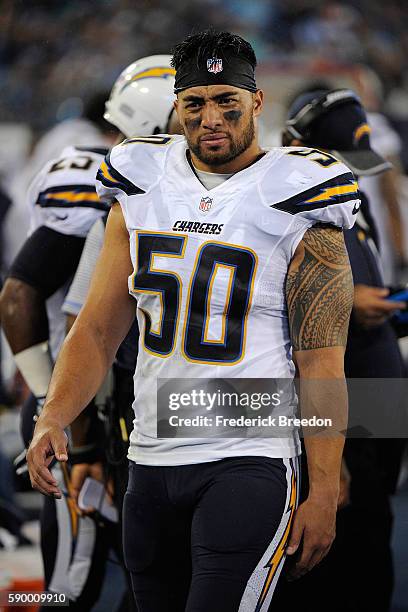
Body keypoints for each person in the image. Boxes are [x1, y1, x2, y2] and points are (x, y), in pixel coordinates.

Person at [27, 30, 359, 611]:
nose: (211, 118)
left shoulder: (300, 190)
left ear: (257, 101)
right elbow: (99, 328)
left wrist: (325, 486)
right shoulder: (140, 179)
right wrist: (54, 415)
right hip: (150, 457)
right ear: (176, 108)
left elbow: (321, 355)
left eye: (227, 100)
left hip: (249, 455)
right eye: (195, 103)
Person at [0, 55, 176, 610]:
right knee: (72, 584)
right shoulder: (93, 180)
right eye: (189, 109)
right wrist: (48, 391)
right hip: (82, 408)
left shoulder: (177, 189)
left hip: (135, 407)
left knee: (146, 571)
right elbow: (20, 294)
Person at [277, 87, 407, 612]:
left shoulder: (349, 203)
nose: (347, 173)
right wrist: (333, 461)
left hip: (378, 398)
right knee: (342, 558)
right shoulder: (290, 211)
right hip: (343, 404)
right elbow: (284, 323)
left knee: (374, 535)